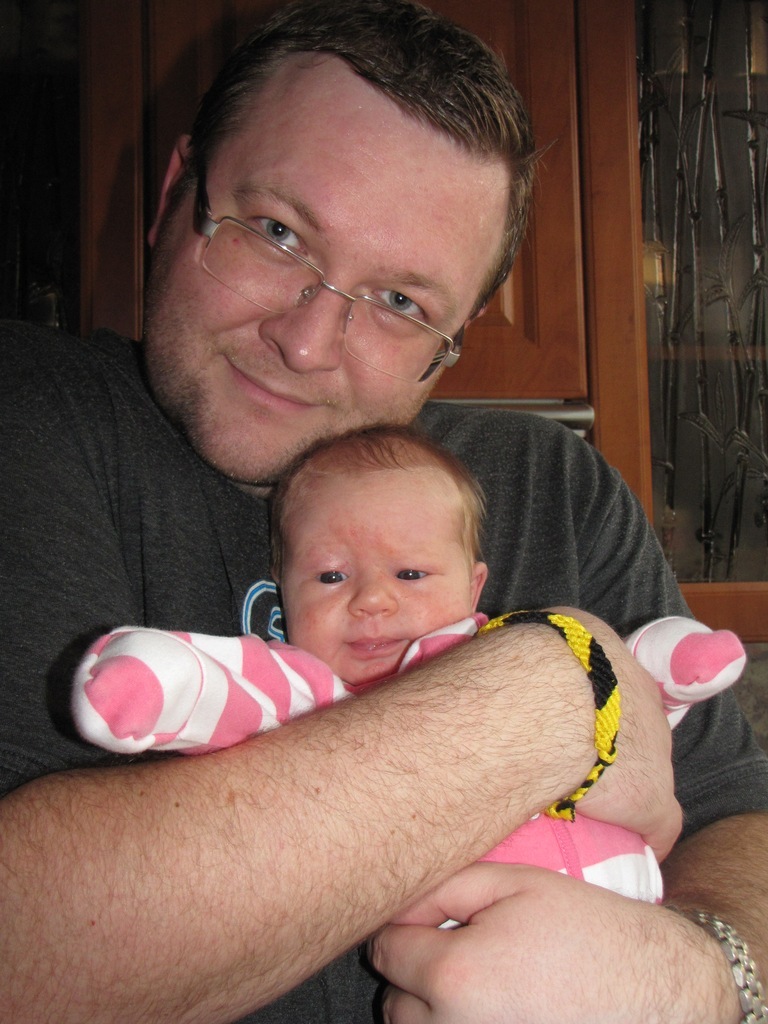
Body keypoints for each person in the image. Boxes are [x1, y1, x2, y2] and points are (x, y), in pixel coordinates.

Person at [1, 1, 767, 1022]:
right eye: (278, 234)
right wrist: (553, 691)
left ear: (458, 336)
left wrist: (701, 980)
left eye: (402, 303)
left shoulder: (557, 483)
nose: (308, 342)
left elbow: (737, 820)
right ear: (178, 190)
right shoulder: (27, 418)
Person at [71, 425, 747, 907]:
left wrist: (663, 671)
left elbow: (625, 705)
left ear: (474, 587)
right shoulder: (314, 699)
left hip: (635, 924)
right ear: (282, 595)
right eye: (330, 576)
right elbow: (234, 685)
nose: (372, 600)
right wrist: (160, 681)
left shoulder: (513, 644)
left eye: (411, 573)